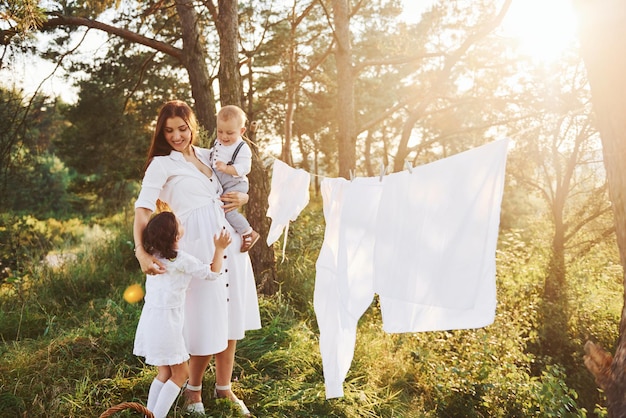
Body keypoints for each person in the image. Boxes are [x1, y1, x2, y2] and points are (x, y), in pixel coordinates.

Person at [133, 100, 261, 416]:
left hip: (228, 245)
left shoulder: (210, 154)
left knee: (230, 317)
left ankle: (224, 387)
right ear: (162, 133)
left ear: (192, 126)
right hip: (197, 249)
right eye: (169, 130)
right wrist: (141, 251)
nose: (177, 136)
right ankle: (193, 391)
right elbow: (143, 210)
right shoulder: (162, 164)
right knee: (202, 319)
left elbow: (236, 182)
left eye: (182, 128)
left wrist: (244, 196)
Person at [133, 211, 231, 418]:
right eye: (179, 223)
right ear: (176, 236)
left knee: (165, 372)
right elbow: (212, 272)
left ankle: (148, 415)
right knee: (181, 374)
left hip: (151, 319)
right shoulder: (182, 260)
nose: (182, 223)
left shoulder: (153, 259)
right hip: (167, 323)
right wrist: (219, 248)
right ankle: (156, 416)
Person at [210, 105, 260, 252]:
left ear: (242, 131)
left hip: (236, 184)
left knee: (228, 210)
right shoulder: (219, 142)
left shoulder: (242, 147)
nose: (224, 136)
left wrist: (226, 169)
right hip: (224, 183)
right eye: (220, 131)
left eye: (230, 133)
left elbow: (245, 168)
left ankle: (248, 232)